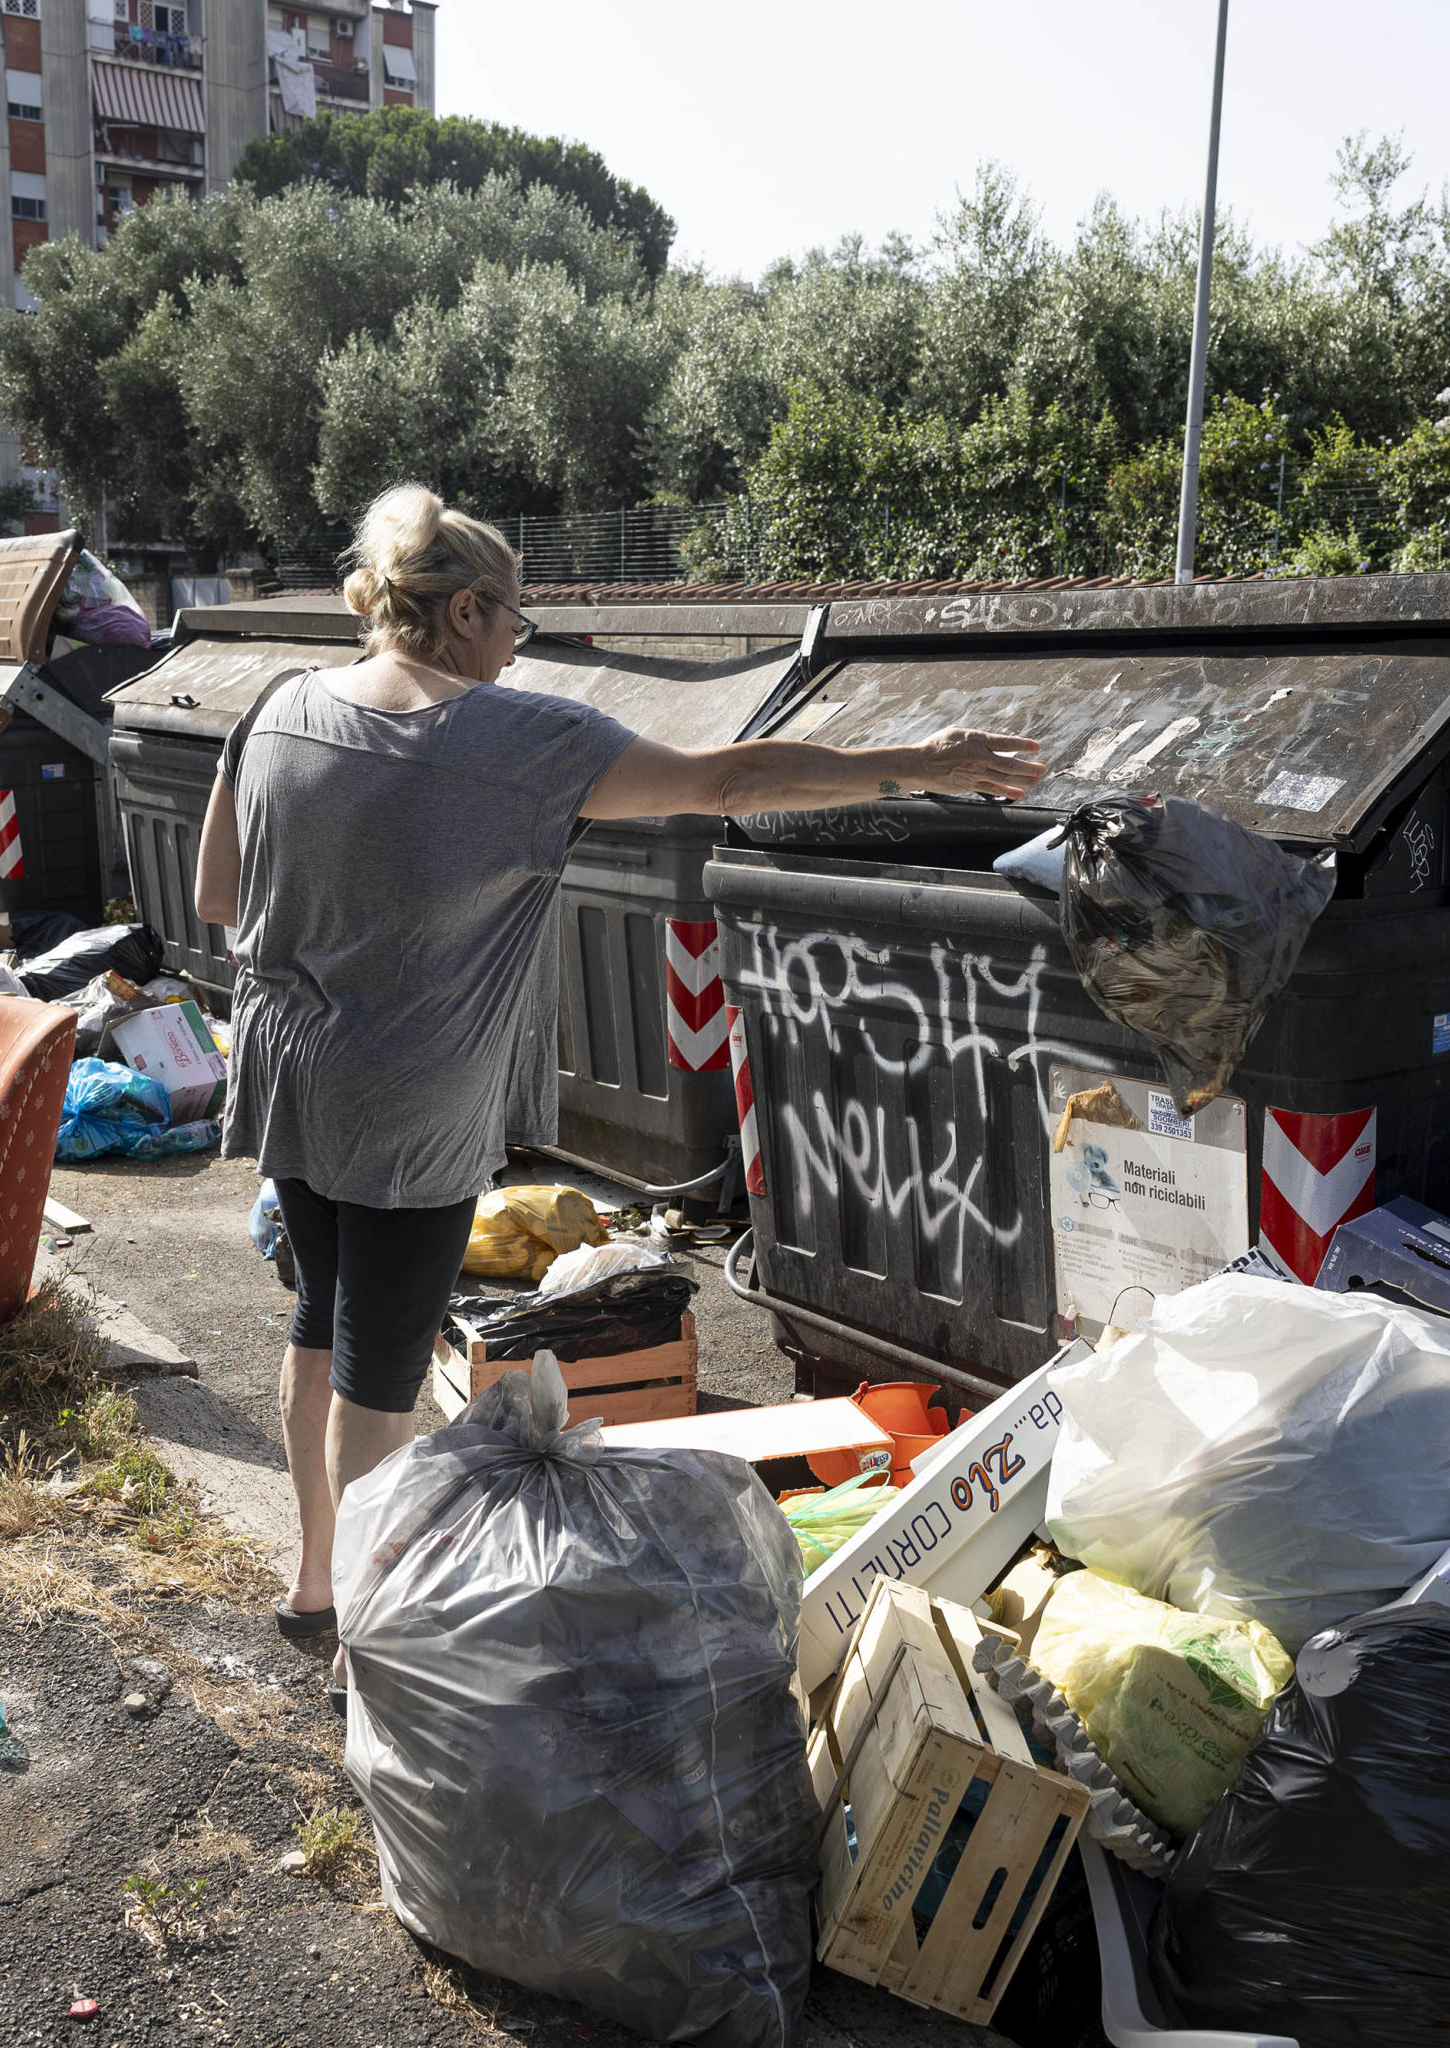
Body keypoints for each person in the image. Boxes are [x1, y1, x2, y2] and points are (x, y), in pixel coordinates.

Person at [194, 482, 1045, 1638]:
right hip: (413, 1097)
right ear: (463, 613)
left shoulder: (282, 707)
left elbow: (217, 894)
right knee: (381, 1374)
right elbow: (730, 782)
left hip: (291, 1066)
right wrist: (921, 760)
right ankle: (367, 1640)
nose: (514, 647)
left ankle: (311, 1579)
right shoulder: (520, 741)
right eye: (514, 623)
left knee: (320, 1323)